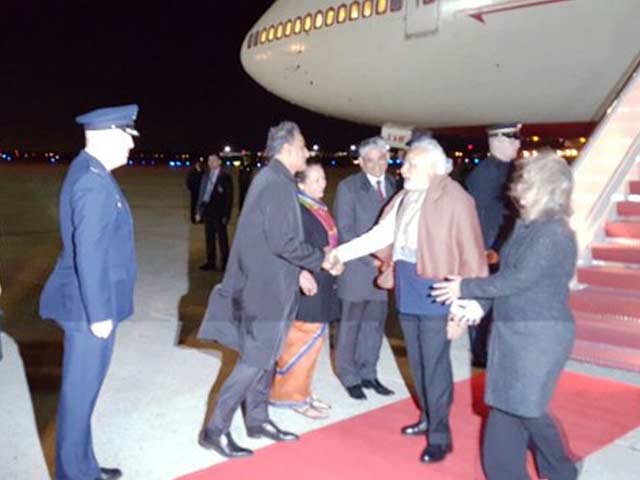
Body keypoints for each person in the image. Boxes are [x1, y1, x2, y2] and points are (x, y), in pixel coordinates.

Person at [332, 137, 487, 464]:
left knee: (435, 365)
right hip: (408, 291)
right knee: (417, 362)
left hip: (437, 293)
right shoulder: (405, 197)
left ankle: (440, 436)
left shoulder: (457, 200)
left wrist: (462, 310)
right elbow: (379, 236)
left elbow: (472, 255)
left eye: (411, 164)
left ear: (432, 167)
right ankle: (428, 418)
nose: (402, 170)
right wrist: (340, 254)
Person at [197, 121, 342, 458]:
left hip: (273, 286)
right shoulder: (276, 183)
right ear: (288, 147)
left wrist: (297, 274)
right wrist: (320, 260)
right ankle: (214, 430)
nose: (307, 151)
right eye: (303, 145)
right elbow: (283, 241)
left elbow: (269, 241)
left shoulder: (277, 180)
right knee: (252, 362)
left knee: (266, 358)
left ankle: (257, 420)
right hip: (263, 293)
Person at [432, 151, 579, 480]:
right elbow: (504, 273)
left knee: (526, 409)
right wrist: (475, 307)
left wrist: (465, 288)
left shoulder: (555, 233)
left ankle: (563, 469)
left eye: (528, 183)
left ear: (549, 189)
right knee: (505, 408)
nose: (518, 190)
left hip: (540, 337)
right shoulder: (525, 225)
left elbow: (519, 279)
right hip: (513, 333)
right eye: (521, 182)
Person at [39, 105, 140, 480]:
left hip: (91, 305)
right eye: (128, 138)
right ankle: (73, 474)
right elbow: (91, 252)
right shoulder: (92, 182)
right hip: (88, 311)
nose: (131, 147)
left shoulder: (92, 173)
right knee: (78, 399)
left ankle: (84, 468)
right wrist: (100, 314)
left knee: (85, 397)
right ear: (110, 135)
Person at [269, 161, 339, 419]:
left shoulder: (317, 208)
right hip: (306, 286)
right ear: (301, 183)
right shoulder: (297, 210)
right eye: (316, 180)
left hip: (321, 281)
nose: (323, 184)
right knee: (300, 341)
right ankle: (288, 396)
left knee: (313, 343)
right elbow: (286, 247)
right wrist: (299, 272)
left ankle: (303, 391)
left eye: (323, 179)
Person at [333, 136, 397, 400]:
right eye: (369, 160)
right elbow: (345, 232)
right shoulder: (348, 188)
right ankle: (349, 376)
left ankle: (369, 372)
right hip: (359, 271)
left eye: (381, 159)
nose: (376, 165)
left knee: (374, 325)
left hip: (383, 271)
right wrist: (372, 260)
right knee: (351, 327)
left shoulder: (393, 185)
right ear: (360, 162)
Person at [464, 123, 522, 367]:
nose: (517, 144)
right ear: (497, 141)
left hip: (504, 249)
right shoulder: (485, 174)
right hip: (488, 251)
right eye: (512, 139)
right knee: (483, 304)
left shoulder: (511, 170)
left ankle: (490, 350)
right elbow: (477, 217)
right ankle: (481, 353)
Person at [196, 154, 233, 271]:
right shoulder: (206, 175)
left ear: (219, 162)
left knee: (222, 239)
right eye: (209, 160)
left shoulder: (225, 177)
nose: (211, 163)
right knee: (209, 237)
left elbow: (229, 198)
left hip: (220, 212)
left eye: (213, 160)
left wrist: (226, 215)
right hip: (207, 210)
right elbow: (201, 193)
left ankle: (225, 263)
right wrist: (199, 211)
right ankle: (210, 262)